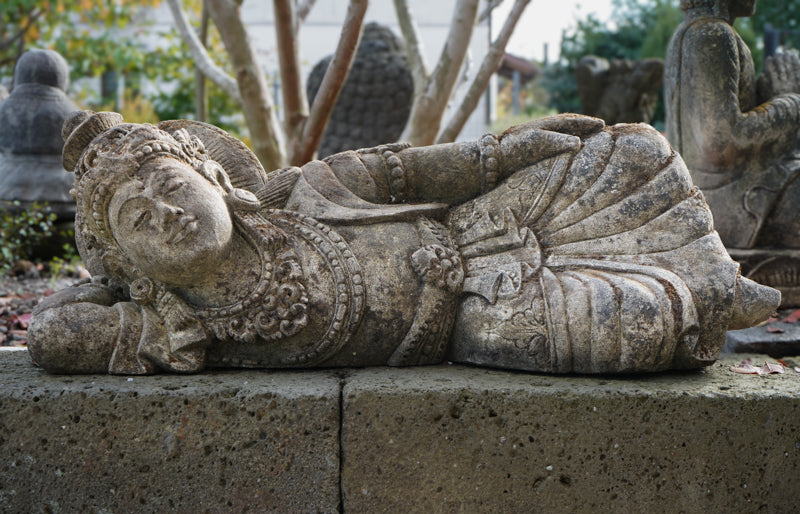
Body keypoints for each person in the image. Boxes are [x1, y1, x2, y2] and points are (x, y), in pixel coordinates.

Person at [28, 110, 778, 375]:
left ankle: (723, 278)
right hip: (467, 320)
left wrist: (500, 154)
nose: (165, 214)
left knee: (634, 151)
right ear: (129, 263)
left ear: (217, 179)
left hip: (478, 225)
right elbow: (54, 335)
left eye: (168, 186)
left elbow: (404, 170)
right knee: (627, 325)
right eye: (136, 220)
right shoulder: (180, 327)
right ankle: (711, 299)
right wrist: (125, 290)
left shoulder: (301, 194)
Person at [665, 0, 800, 250]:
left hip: (720, 193)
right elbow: (719, 141)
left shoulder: (699, 32)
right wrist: (790, 100)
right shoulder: (712, 34)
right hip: (727, 202)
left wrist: (768, 97)